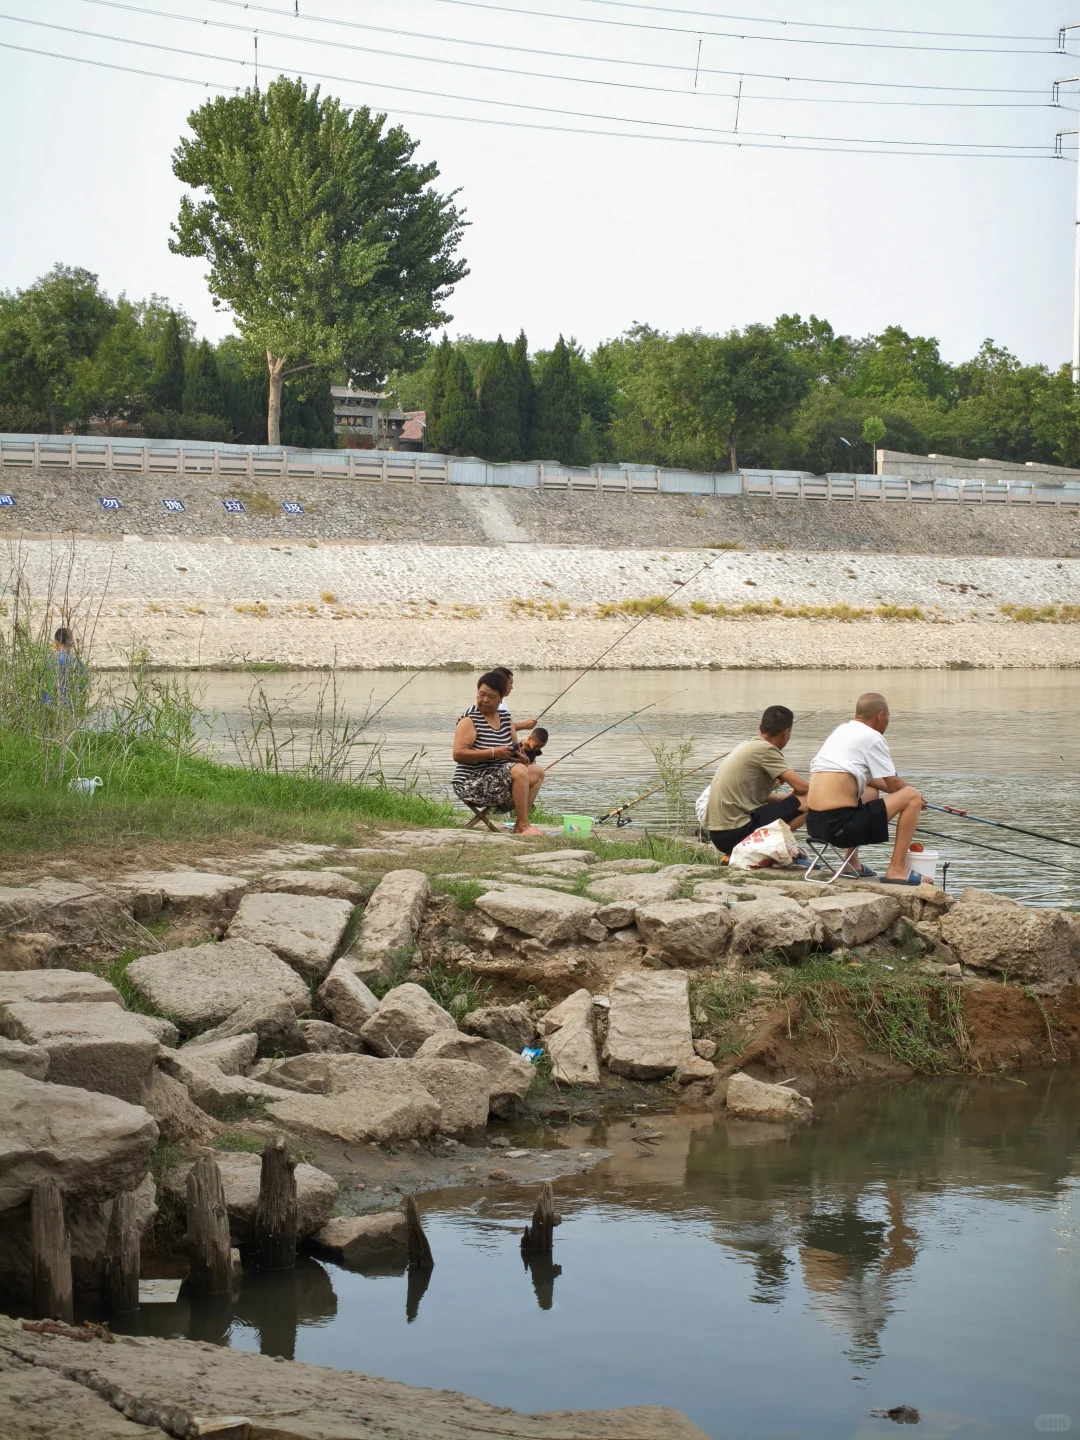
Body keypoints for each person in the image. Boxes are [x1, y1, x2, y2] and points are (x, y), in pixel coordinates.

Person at [806, 692, 928, 886]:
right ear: (881, 715)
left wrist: (904, 795)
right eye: (888, 717)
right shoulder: (872, 737)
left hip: (815, 826)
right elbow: (895, 784)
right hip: (842, 829)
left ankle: (851, 862)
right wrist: (916, 797)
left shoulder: (841, 731)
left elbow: (872, 781)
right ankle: (897, 868)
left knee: (870, 790)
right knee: (911, 796)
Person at [705, 704, 809, 857]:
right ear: (786, 732)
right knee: (810, 800)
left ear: (760, 727)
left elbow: (745, 797)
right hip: (735, 834)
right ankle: (777, 847)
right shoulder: (767, 749)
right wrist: (793, 797)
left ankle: (745, 851)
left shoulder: (747, 744)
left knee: (791, 801)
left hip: (719, 835)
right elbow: (803, 788)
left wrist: (783, 799)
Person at [452, 671, 545, 835]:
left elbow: (516, 749)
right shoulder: (469, 720)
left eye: (491, 697)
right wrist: (494, 753)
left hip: (500, 778)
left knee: (537, 771)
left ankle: (520, 824)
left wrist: (522, 758)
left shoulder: (505, 718)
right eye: (481, 694)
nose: (485, 700)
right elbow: (458, 755)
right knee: (517, 770)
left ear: (501, 698)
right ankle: (524, 826)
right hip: (472, 782)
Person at [42, 626, 87, 711]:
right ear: (71, 643)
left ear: (56, 643)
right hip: (70, 710)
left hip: (48, 710)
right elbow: (84, 691)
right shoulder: (79, 664)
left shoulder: (46, 661)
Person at [491, 667, 537, 742]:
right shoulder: (496, 705)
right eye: (510, 683)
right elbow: (501, 727)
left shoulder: (503, 702)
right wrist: (525, 725)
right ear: (502, 683)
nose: (512, 687)